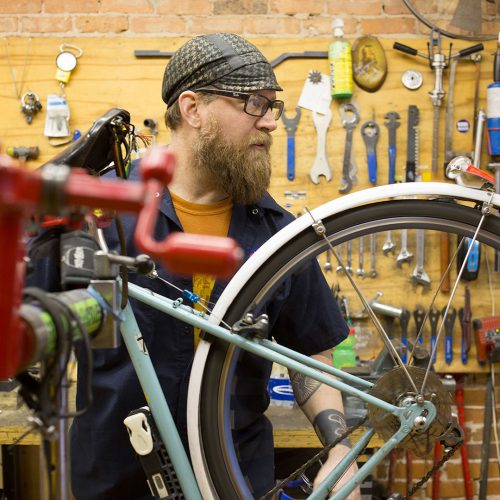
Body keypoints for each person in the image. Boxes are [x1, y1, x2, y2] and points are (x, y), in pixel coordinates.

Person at [29, 33, 360, 499]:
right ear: (192, 109)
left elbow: (312, 353)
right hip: (113, 481)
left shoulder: (276, 234)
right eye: (254, 103)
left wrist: (340, 456)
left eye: (274, 107)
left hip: (234, 479)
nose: (269, 122)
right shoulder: (100, 213)